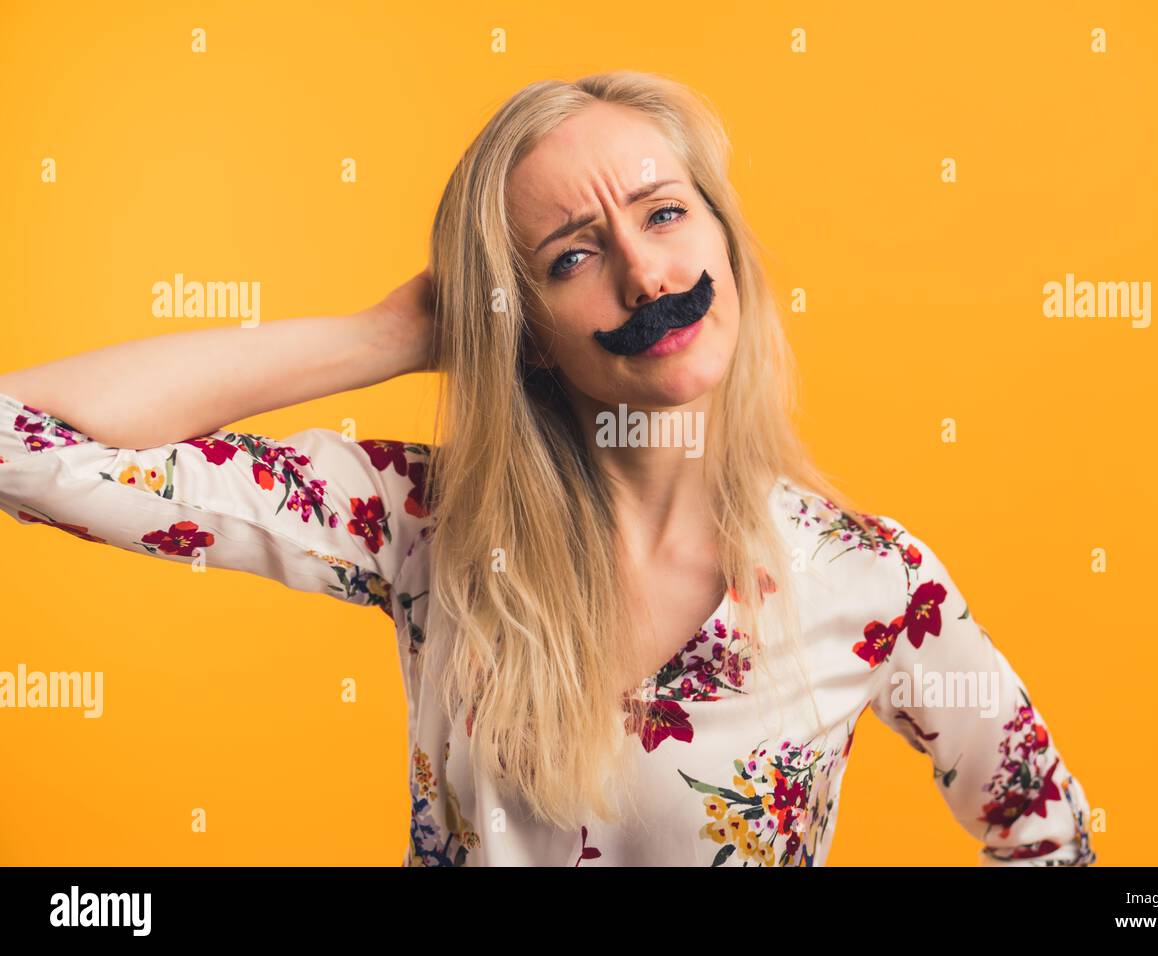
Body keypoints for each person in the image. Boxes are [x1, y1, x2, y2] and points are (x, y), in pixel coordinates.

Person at [0, 70, 1096, 867]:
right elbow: (18, 440)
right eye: (571, 256)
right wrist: (388, 335)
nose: (643, 270)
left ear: (724, 244)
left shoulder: (872, 580)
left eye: (666, 213)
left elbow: (1049, 837)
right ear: (523, 327)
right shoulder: (421, 521)